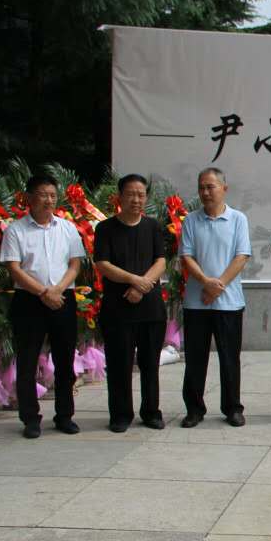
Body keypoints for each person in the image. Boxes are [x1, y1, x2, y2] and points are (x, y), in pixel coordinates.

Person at [0, 174, 86, 438]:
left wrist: (57, 290)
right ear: (29, 198)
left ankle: (64, 416)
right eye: (43, 194)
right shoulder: (16, 230)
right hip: (29, 301)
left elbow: (75, 264)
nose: (49, 200)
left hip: (62, 298)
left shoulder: (67, 228)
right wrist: (43, 292)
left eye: (52, 195)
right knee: (27, 362)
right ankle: (30, 419)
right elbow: (14, 268)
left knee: (65, 361)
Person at [93, 174, 167, 433]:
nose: (136, 199)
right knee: (119, 364)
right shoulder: (105, 228)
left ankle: (151, 412)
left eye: (141, 195)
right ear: (119, 197)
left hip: (151, 309)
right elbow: (102, 264)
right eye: (131, 194)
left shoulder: (153, 226)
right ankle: (120, 414)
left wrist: (144, 285)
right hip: (118, 308)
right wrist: (135, 281)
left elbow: (161, 261)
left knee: (150, 364)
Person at [179, 167, 251, 428]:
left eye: (211, 186)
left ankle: (233, 408)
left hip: (229, 303)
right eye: (202, 187)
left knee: (229, 358)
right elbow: (186, 256)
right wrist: (206, 283)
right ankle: (194, 409)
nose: (206, 192)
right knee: (195, 359)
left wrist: (217, 286)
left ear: (224, 188)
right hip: (196, 303)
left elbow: (241, 256)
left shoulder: (238, 219)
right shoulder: (191, 220)